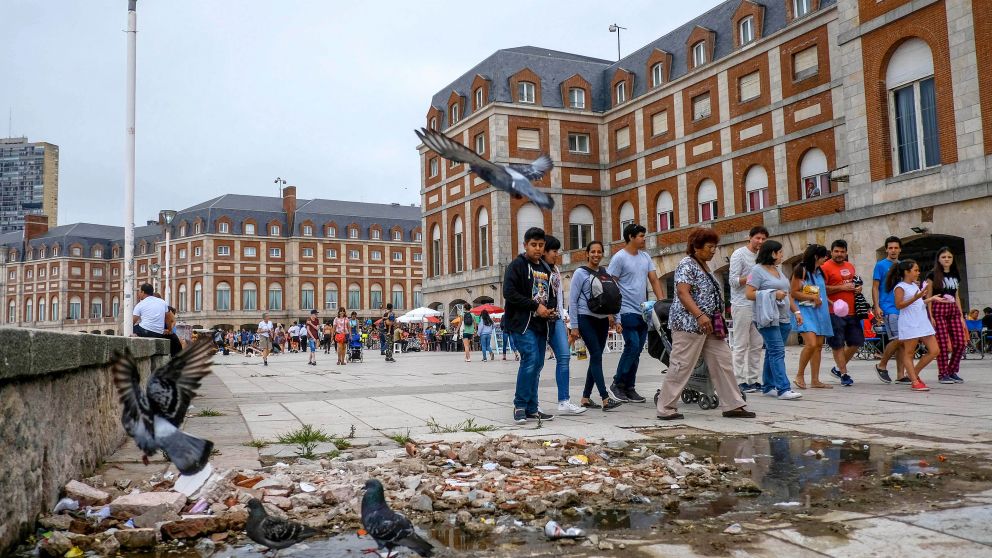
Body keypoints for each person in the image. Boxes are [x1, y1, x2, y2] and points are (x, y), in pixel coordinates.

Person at [655, 228, 755, 420]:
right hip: (689, 324)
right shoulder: (687, 264)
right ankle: (665, 408)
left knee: (723, 361)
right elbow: (683, 292)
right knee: (681, 365)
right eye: (710, 247)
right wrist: (699, 315)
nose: (713, 251)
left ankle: (733, 404)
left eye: (715, 247)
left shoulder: (704, 266)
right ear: (696, 247)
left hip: (710, 325)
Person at [607, 223, 665, 404]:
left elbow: (654, 279)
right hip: (625, 309)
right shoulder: (619, 258)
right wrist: (611, 312)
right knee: (632, 345)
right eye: (640, 236)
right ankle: (617, 384)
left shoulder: (645, 257)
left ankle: (629, 387)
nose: (643, 239)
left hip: (643, 310)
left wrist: (662, 303)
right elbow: (610, 284)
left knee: (638, 349)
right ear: (631, 237)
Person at [503, 227, 556, 424]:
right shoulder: (517, 265)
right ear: (525, 245)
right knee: (531, 359)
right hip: (522, 324)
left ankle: (532, 408)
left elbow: (550, 294)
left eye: (541, 245)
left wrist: (550, 309)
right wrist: (535, 306)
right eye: (533, 245)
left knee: (538, 364)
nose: (537, 248)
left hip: (541, 324)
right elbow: (509, 292)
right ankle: (520, 405)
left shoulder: (546, 268)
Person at [569, 240, 624, 412]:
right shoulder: (580, 273)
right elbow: (572, 300)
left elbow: (613, 297)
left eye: (599, 252)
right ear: (587, 254)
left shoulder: (605, 273)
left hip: (602, 320)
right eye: (593, 251)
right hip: (585, 318)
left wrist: (617, 319)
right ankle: (605, 398)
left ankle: (585, 398)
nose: (596, 255)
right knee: (596, 355)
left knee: (596, 357)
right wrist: (574, 326)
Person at [745, 240, 803, 400]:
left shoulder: (777, 270)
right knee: (777, 352)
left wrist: (796, 311)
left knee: (772, 352)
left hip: (783, 318)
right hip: (767, 318)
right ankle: (783, 388)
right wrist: (772, 294)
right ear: (772, 253)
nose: (782, 255)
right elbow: (749, 293)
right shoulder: (756, 271)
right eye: (780, 252)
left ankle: (768, 386)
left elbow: (787, 293)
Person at [542, 235, 585, 415]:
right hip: (540, 320)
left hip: (557, 318)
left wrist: (562, 315)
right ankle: (531, 403)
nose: (556, 254)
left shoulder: (556, 269)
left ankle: (564, 400)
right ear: (544, 251)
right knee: (535, 362)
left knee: (564, 356)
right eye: (554, 251)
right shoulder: (537, 269)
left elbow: (559, 296)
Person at [887, 259, 941, 391]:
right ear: (907, 272)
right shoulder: (900, 287)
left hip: (922, 321)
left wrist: (931, 298)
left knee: (935, 350)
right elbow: (899, 305)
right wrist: (916, 298)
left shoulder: (914, 285)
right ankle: (915, 381)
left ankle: (913, 373)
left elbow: (918, 304)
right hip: (910, 322)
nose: (918, 272)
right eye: (915, 270)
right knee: (909, 352)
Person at [729, 226, 768, 393]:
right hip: (741, 304)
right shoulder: (739, 254)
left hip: (758, 305)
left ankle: (753, 379)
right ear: (749, 237)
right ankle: (738, 381)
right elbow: (733, 281)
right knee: (740, 344)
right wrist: (754, 277)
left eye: (763, 239)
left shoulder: (763, 256)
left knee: (757, 344)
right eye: (757, 238)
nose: (760, 241)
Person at [790, 244, 834, 389]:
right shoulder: (801, 270)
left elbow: (819, 291)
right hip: (805, 311)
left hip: (819, 311)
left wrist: (828, 301)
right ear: (816, 256)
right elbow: (794, 292)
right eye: (824, 256)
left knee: (819, 346)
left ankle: (815, 379)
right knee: (811, 344)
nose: (826, 258)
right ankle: (800, 374)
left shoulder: (820, 271)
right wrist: (812, 298)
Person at [821, 239, 863, 386]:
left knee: (856, 342)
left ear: (846, 253)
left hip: (852, 311)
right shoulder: (825, 267)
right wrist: (841, 288)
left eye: (842, 252)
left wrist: (857, 288)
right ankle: (844, 374)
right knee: (837, 344)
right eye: (836, 251)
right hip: (833, 311)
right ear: (831, 252)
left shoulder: (850, 266)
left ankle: (838, 369)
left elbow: (853, 283)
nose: (839, 254)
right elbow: (821, 289)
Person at [925, 247, 968, 384]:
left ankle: (952, 370)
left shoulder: (955, 274)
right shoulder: (932, 274)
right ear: (938, 259)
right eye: (943, 257)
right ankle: (943, 373)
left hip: (953, 308)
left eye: (949, 257)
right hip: (938, 308)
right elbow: (929, 295)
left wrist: (961, 315)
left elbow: (957, 295)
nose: (947, 259)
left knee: (960, 342)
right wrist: (930, 315)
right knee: (942, 344)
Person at [871, 236, 907, 384]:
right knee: (897, 338)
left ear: (900, 250)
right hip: (888, 307)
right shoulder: (880, 265)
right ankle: (881, 365)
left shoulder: (903, 266)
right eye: (890, 248)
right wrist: (876, 306)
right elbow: (875, 287)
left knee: (902, 342)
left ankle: (900, 375)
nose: (893, 250)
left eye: (896, 248)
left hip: (901, 307)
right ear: (886, 249)